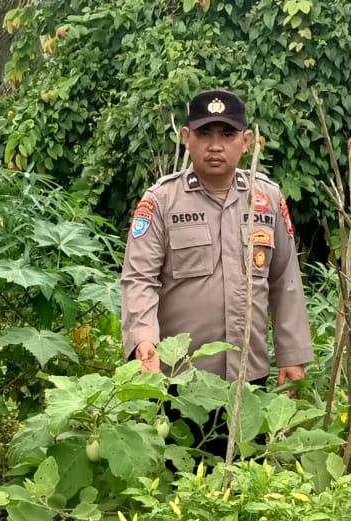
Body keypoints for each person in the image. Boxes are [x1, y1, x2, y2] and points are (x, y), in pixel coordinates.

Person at [119, 90, 314, 397]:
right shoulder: (162, 201)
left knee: (247, 446)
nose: (214, 146)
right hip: (178, 379)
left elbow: (285, 280)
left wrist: (293, 355)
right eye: (204, 133)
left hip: (249, 377)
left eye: (227, 134)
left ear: (246, 141)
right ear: (186, 137)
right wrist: (144, 339)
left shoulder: (266, 199)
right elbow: (139, 279)